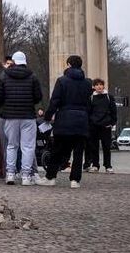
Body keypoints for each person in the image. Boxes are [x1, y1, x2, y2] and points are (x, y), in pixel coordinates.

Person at [36, 55, 92, 188]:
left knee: (57, 150)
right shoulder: (88, 83)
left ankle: (50, 177)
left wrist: (48, 117)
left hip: (64, 119)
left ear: (68, 65)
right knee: (78, 152)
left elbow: (55, 101)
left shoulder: (62, 81)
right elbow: (89, 104)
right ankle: (75, 180)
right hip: (81, 120)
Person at [0, 51, 42, 186]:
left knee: (11, 146)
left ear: (13, 61)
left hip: (10, 115)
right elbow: (38, 97)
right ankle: (26, 175)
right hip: (28, 116)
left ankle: (10, 174)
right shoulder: (33, 76)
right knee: (28, 146)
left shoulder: (3, 76)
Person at [85, 78, 117, 173]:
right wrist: (89, 123)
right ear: (94, 87)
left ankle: (108, 165)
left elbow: (113, 111)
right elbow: (88, 111)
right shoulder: (91, 97)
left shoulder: (109, 97)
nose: (99, 86)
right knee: (94, 147)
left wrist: (112, 123)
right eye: (97, 85)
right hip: (94, 125)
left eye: (101, 84)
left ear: (103, 86)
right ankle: (95, 165)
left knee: (106, 147)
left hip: (105, 125)